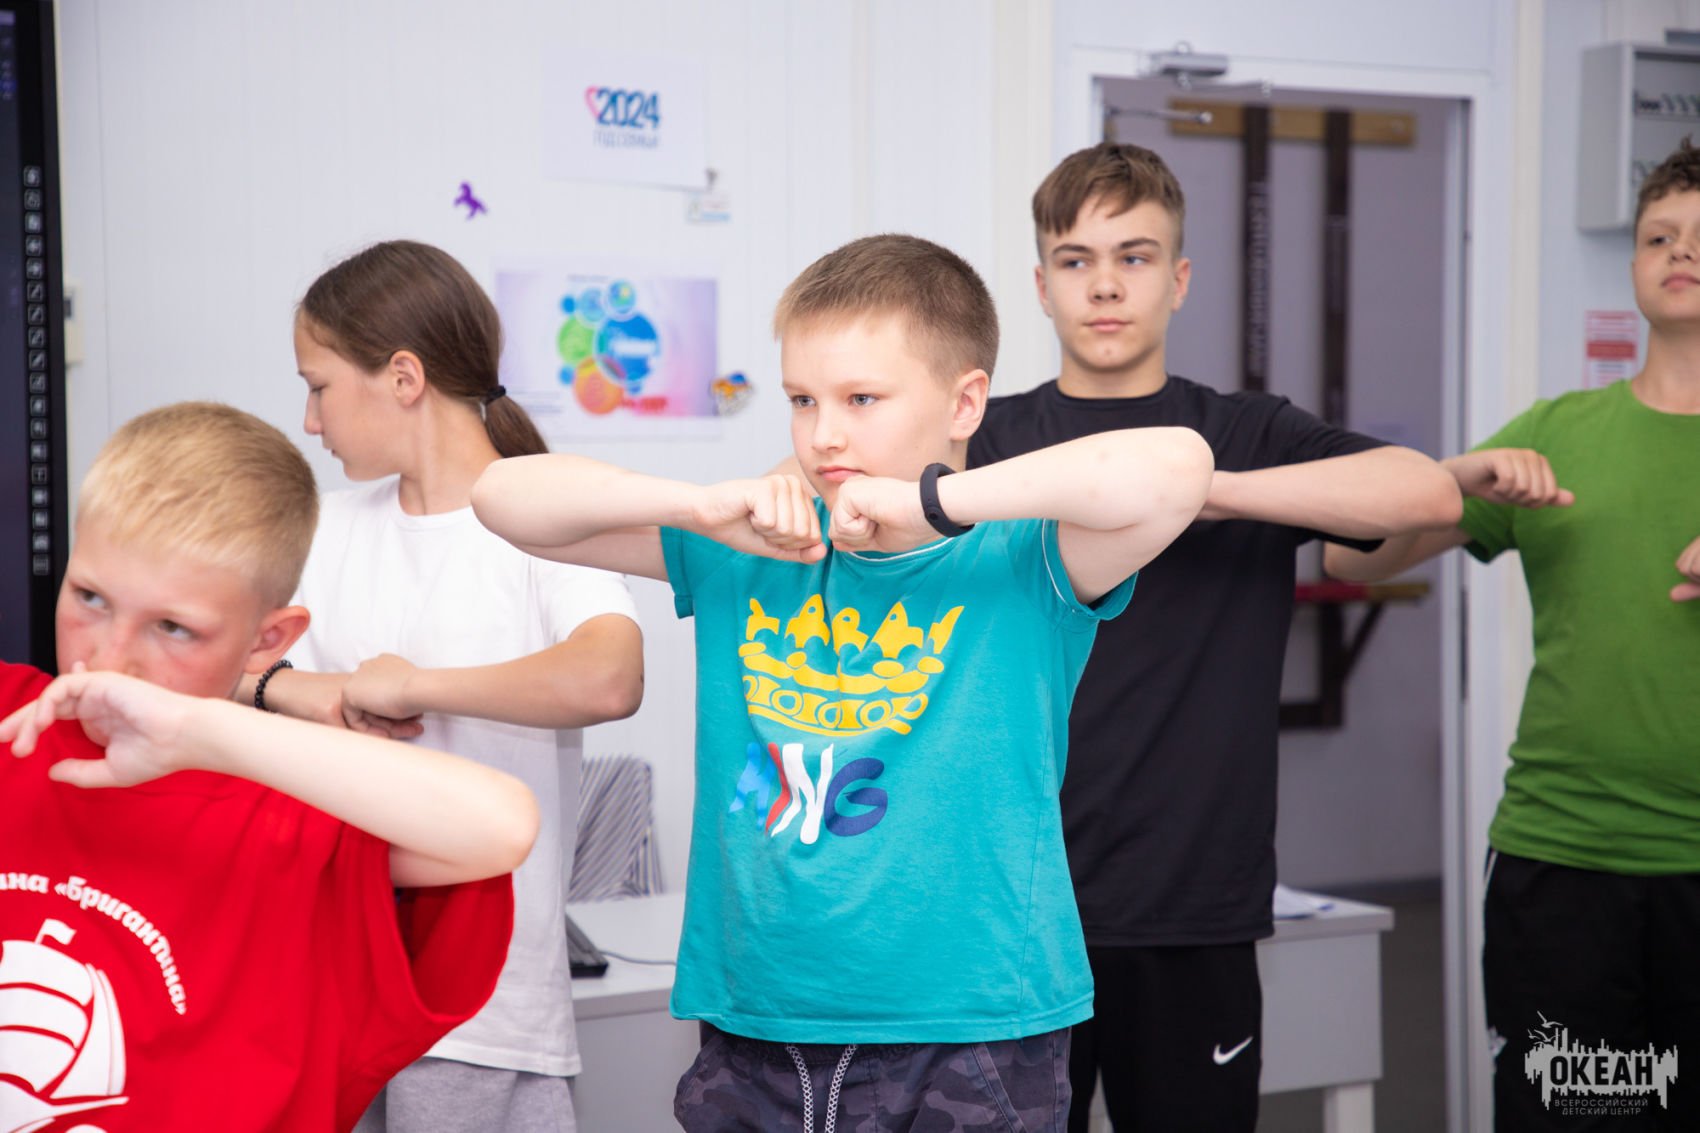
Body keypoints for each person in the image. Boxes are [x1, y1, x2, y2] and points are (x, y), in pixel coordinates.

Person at [471, 233, 1215, 1132]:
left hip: (970, 1028)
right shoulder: (744, 546)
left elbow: (1179, 468)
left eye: (862, 399)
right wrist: (698, 505)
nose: (824, 433)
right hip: (757, 1021)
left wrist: (931, 502)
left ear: (964, 402)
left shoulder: (1023, 556)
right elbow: (502, 497)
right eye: (802, 399)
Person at [966, 141, 1462, 1131]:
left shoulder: (1242, 433)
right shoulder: (986, 438)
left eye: (1135, 256)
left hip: (1190, 901)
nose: (1106, 285)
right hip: (1007, 902)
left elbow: (1425, 492)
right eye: (1075, 259)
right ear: (1042, 284)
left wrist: (1201, 489)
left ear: (1180, 278)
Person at [0, 401, 537, 1132]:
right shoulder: (14, 720)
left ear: (266, 642)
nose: (110, 659)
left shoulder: (292, 808)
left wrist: (200, 725)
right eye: (89, 596)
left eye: (173, 627)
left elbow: (502, 824)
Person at [1325, 139, 1700, 1131]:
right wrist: (1449, 475)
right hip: (1562, 864)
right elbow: (1349, 558)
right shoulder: (1557, 431)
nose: (1679, 251)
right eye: (1658, 235)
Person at [245, 240, 644, 1133]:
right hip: (328, 989)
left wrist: (413, 684)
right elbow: (196, 672)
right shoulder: (323, 528)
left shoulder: (543, 522)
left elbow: (610, 675)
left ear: (402, 377)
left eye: (318, 386)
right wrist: (294, 690)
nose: (309, 420)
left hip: (481, 1015)